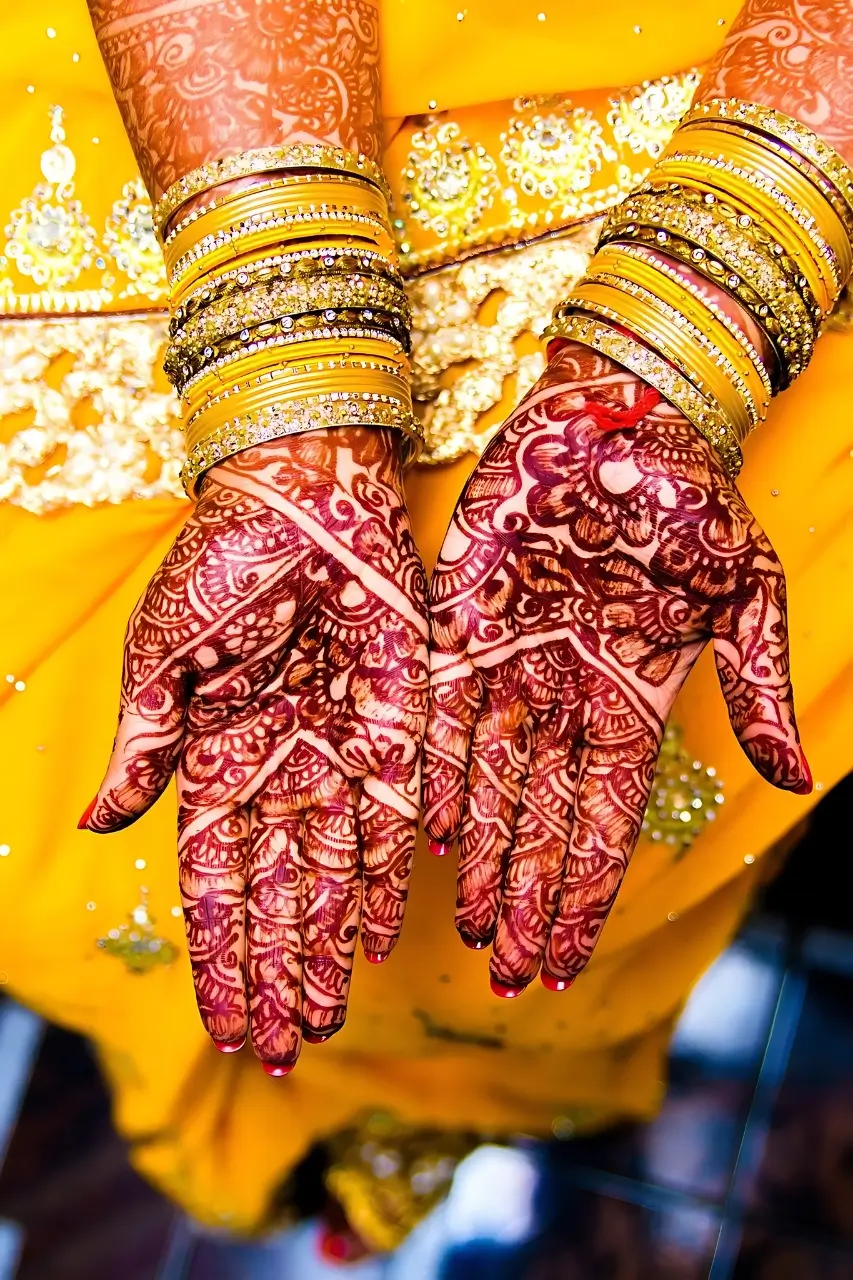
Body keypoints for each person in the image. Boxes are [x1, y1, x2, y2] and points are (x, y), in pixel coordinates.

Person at [0, 0, 850, 1256]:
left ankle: (427, 1107)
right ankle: (379, 1113)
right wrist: (294, 391)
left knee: (608, 846)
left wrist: (678, 335)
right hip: (199, 93)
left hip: (774, 124)